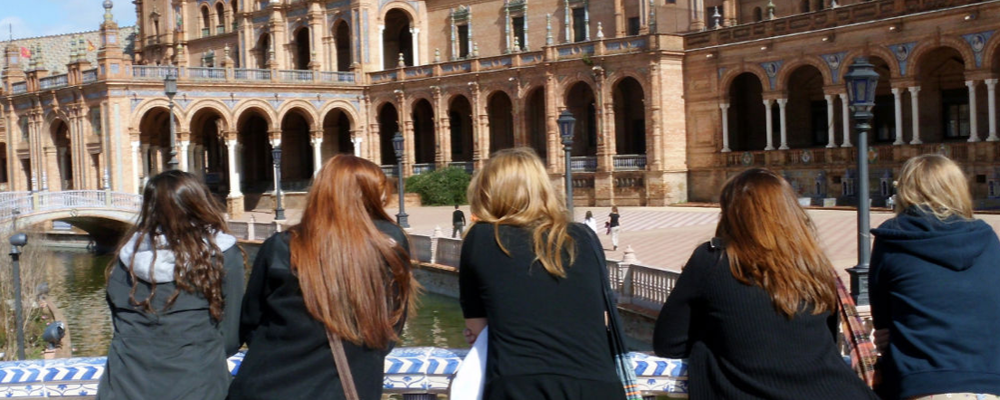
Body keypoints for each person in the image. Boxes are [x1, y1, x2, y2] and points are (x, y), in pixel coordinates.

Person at [653, 168, 878, 400]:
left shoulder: (712, 260)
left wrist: (720, 341)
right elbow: (825, 340)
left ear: (731, 214)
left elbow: (669, 343)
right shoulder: (814, 263)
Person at [229, 155, 418, 400]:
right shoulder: (389, 245)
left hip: (269, 384)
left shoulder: (282, 247)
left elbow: (251, 320)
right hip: (346, 385)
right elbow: (393, 323)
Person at [460, 148, 627, 400]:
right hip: (599, 384)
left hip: (521, 384)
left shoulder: (482, 237)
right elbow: (601, 316)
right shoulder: (583, 235)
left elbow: (476, 329)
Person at [98, 170, 245, 400]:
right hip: (198, 384)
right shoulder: (223, 256)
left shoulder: (125, 259)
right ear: (200, 204)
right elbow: (231, 336)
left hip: (126, 385)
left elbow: (119, 322)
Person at [870, 154, 1000, 400]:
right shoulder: (987, 238)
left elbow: (882, 322)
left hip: (922, 383)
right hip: (989, 382)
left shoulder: (894, 238)